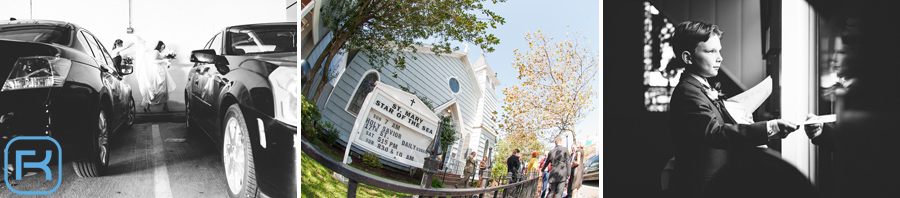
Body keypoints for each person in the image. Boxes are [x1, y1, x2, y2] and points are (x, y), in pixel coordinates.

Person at [666, 21, 800, 198]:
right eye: (711, 51)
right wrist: (770, 127)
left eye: (719, 50)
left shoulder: (700, 88)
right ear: (688, 58)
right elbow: (715, 133)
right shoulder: (688, 92)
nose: (720, 58)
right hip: (700, 187)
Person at [142, 40, 177, 113]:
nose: (163, 49)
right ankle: (147, 106)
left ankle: (165, 106)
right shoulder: (156, 52)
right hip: (157, 71)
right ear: (159, 46)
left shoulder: (159, 52)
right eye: (162, 47)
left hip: (161, 70)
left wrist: (167, 60)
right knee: (155, 88)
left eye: (164, 47)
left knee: (164, 89)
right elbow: (153, 61)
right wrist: (164, 60)